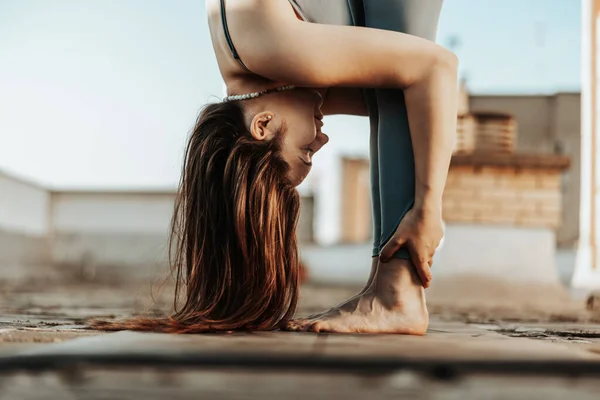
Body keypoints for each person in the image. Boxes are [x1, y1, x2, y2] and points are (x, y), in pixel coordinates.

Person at [93, 0, 456, 335]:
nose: (321, 140)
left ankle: (397, 294)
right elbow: (406, 91)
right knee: (399, 86)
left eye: (305, 152)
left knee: (407, 77)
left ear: (262, 126)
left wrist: (427, 208)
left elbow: (435, 67)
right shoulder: (254, 63)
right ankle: (389, 291)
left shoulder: (271, 47)